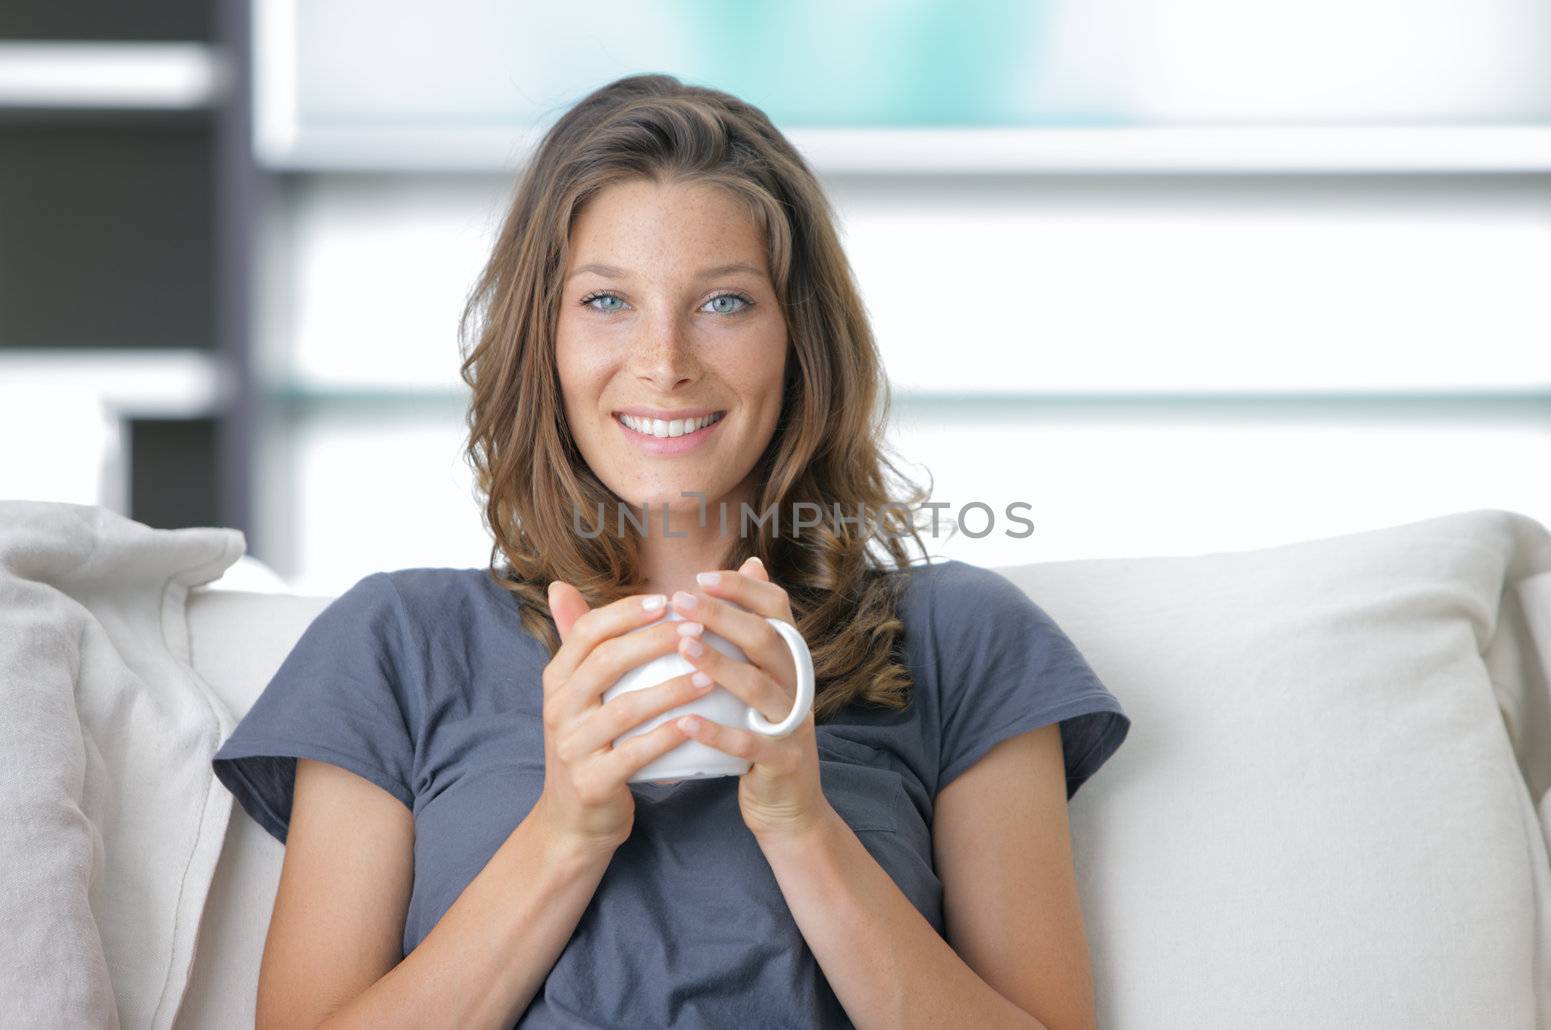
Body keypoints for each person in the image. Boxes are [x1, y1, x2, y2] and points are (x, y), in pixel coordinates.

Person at [212, 72, 1130, 1029]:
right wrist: (567, 833)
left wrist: (800, 823)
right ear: (545, 338)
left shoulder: (958, 640)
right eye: (607, 301)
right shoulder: (398, 643)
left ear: (798, 340)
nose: (664, 361)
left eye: (725, 304)